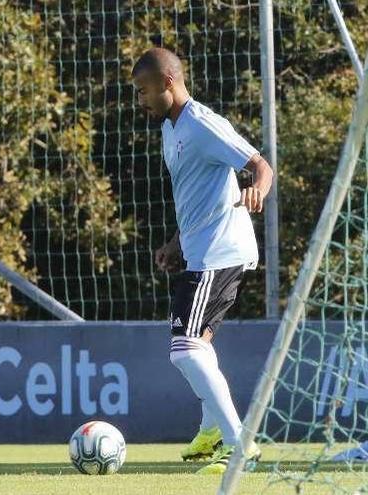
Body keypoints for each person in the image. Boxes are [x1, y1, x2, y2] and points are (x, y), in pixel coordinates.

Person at [131, 47, 274, 474]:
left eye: (143, 91)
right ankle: (212, 430)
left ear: (168, 83)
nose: (140, 100)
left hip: (221, 250)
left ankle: (239, 445)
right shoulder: (169, 130)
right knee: (197, 346)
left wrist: (258, 190)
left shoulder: (202, 123)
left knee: (184, 349)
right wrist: (176, 243)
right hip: (200, 251)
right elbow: (196, 194)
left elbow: (259, 164)